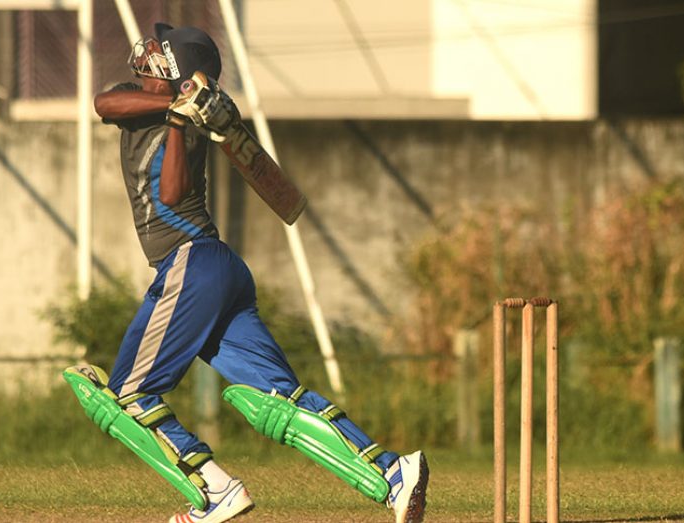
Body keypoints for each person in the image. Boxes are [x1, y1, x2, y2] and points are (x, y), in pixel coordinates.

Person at [86, 22, 429, 523]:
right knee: (277, 399)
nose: (150, 52)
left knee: (129, 397)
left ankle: (215, 490)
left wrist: (184, 123)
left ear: (179, 72)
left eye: (162, 51)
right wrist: (178, 105)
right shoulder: (134, 99)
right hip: (217, 268)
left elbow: (174, 194)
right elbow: (103, 104)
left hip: (191, 265)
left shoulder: (187, 129)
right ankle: (394, 472)